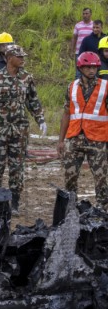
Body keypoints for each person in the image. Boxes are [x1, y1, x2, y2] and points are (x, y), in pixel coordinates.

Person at [0, 44, 46, 214]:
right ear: (9, 58)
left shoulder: (27, 78)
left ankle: (14, 203)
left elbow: (33, 100)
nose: (23, 59)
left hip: (19, 130)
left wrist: (40, 119)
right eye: (19, 56)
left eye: (23, 56)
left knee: (17, 168)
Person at [57, 51, 108, 210]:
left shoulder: (106, 87)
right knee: (70, 177)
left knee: (101, 179)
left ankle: (103, 210)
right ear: (80, 67)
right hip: (74, 139)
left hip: (98, 140)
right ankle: (71, 210)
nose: (92, 70)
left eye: (94, 67)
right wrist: (61, 140)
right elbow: (67, 113)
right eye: (88, 67)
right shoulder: (71, 87)